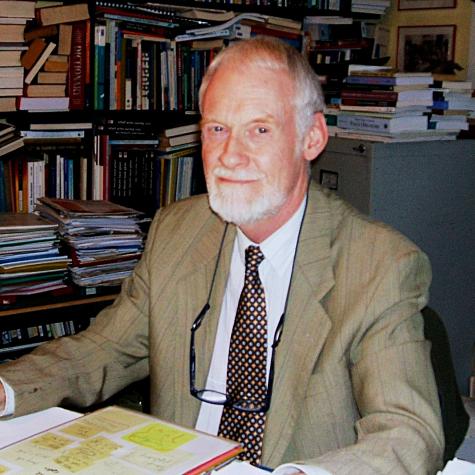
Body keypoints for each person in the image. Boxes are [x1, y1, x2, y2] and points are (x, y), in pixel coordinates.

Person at [0, 37, 443, 474]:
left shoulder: (379, 263)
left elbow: (408, 432)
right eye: (217, 129)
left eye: (260, 129)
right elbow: (104, 350)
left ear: (311, 138)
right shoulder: (177, 232)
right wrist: (6, 389)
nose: (230, 155)